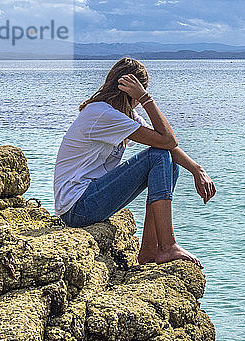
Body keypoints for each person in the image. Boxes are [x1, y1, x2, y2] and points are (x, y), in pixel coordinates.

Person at [53, 57, 215, 269]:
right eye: (141, 90)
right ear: (130, 89)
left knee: (168, 161)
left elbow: (168, 145)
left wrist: (197, 170)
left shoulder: (124, 115)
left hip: (87, 201)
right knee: (158, 156)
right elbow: (168, 140)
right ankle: (167, 246)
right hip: (77, 206)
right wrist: (146, 98)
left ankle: (150, 250)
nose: (139, 99)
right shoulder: (101, 113)